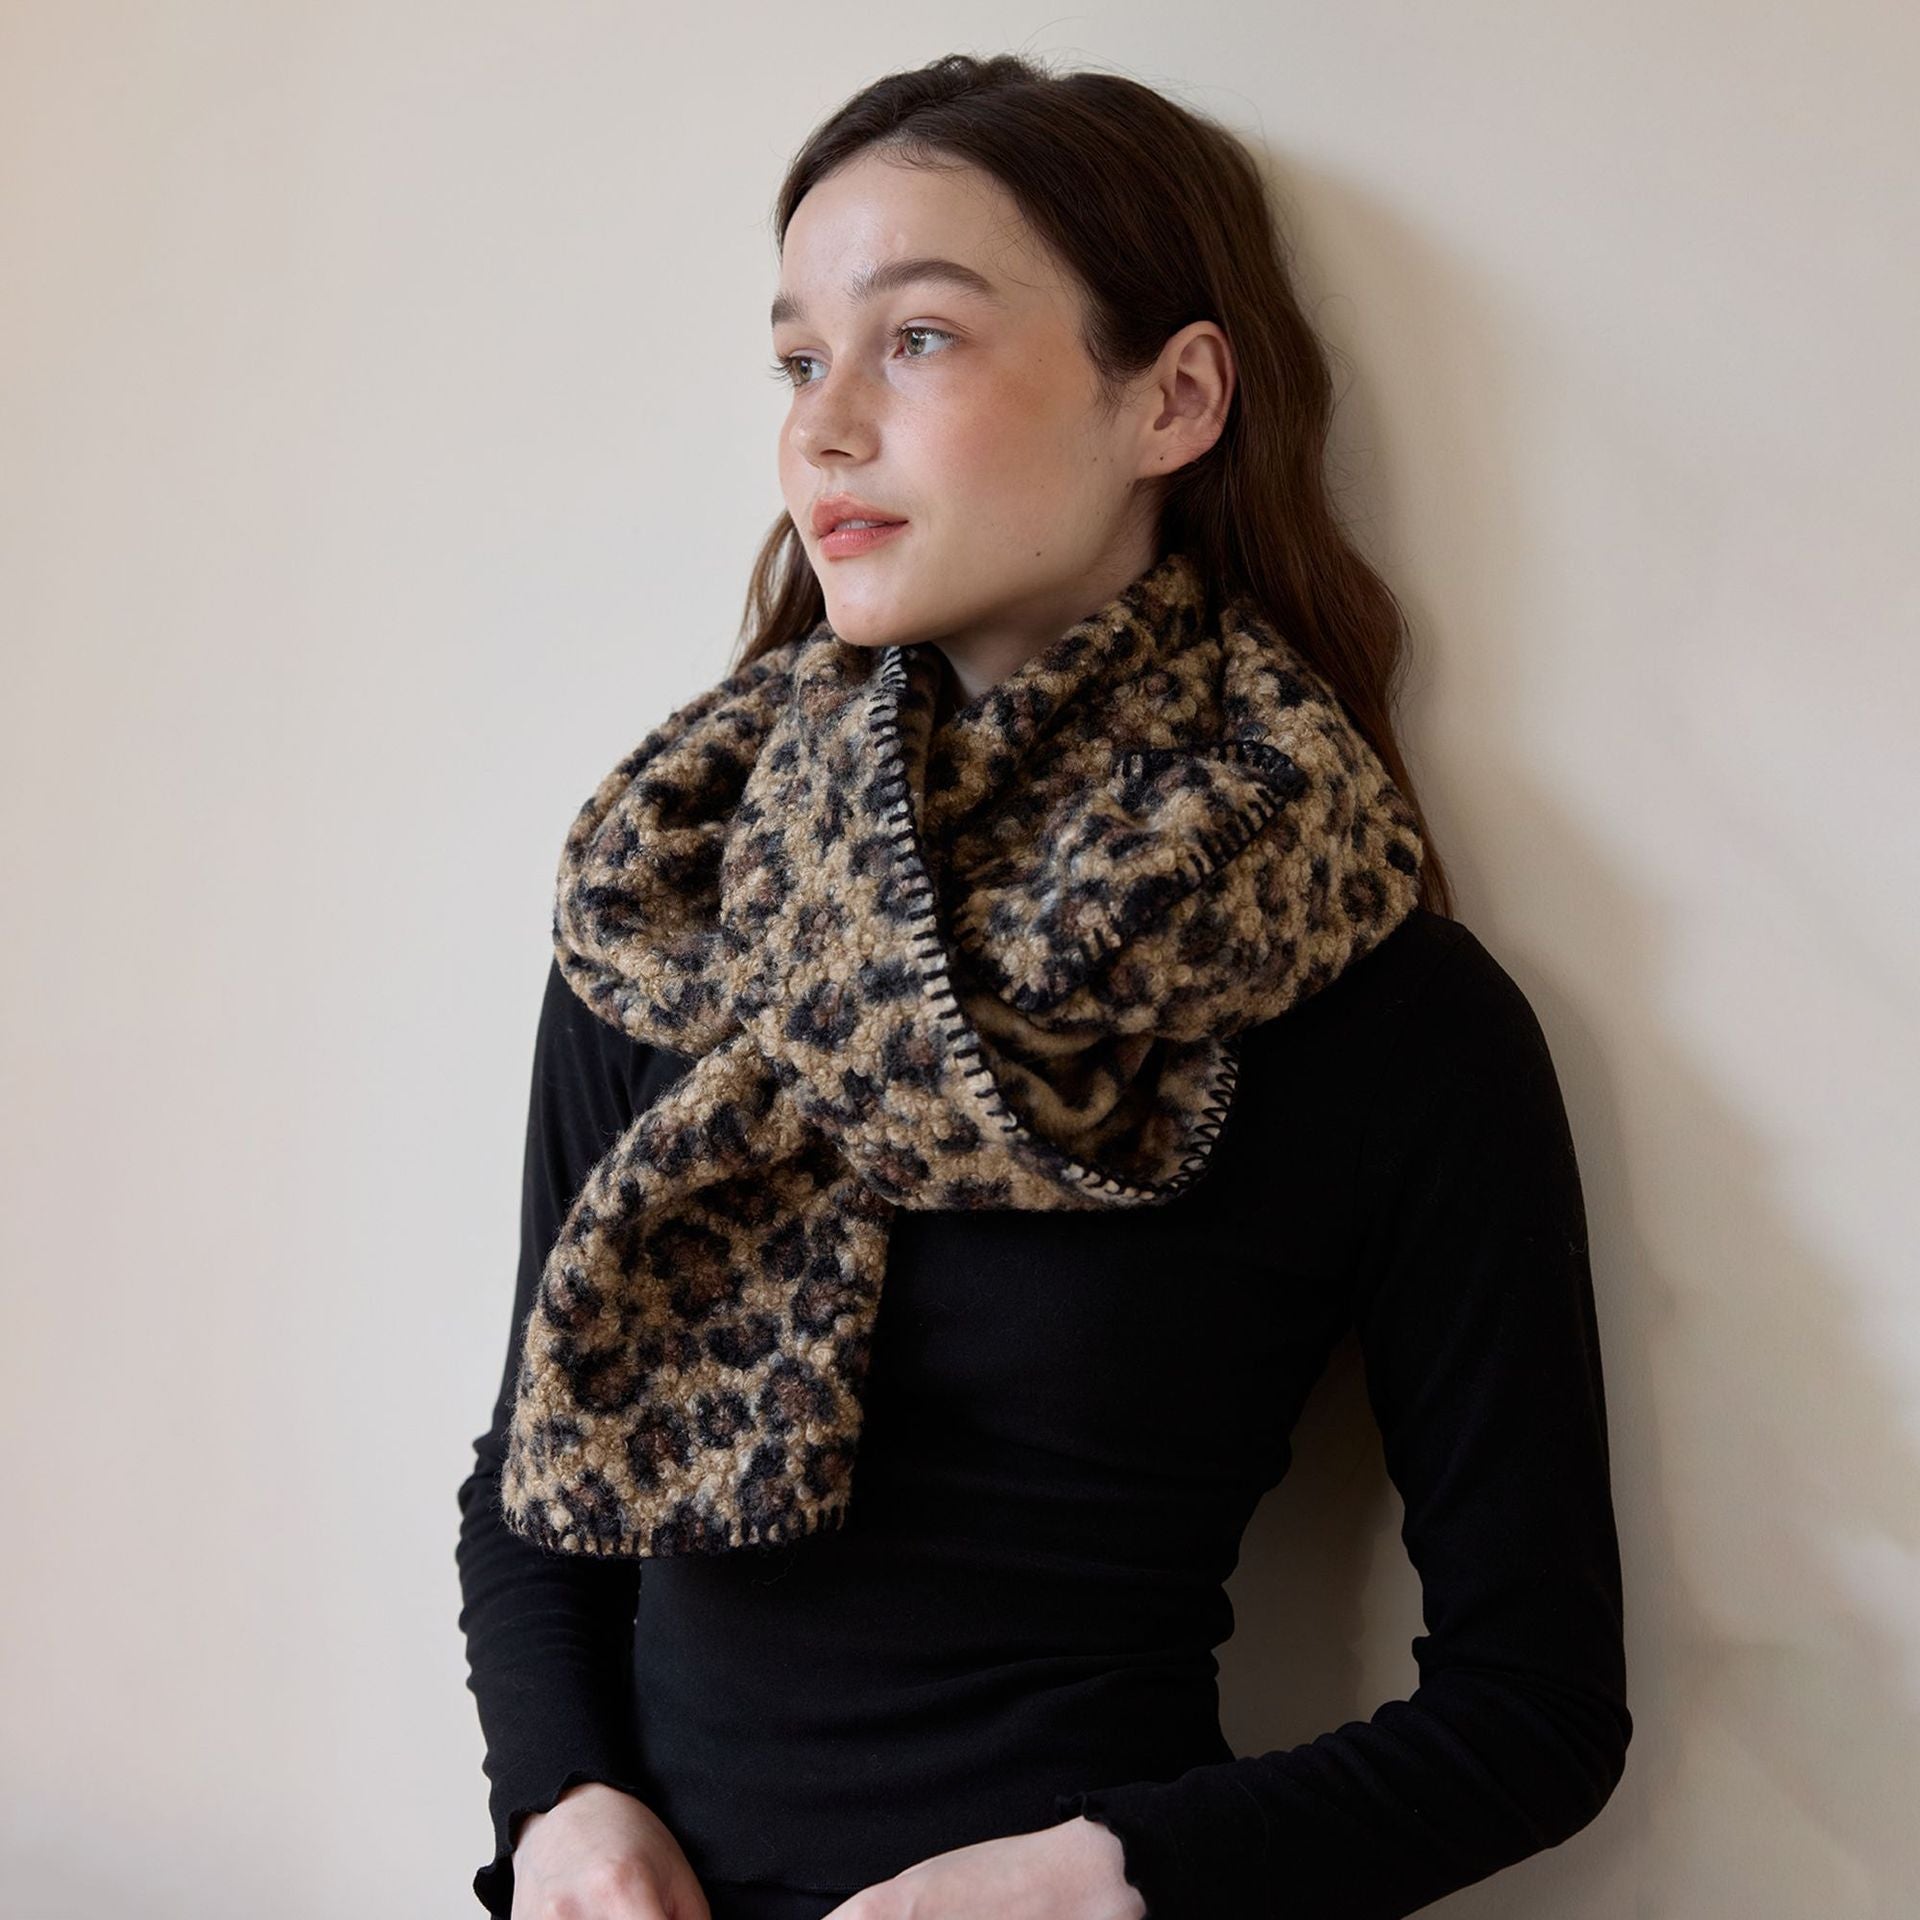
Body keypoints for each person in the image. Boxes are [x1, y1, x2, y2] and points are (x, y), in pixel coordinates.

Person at [454, 50, 1631, 1920]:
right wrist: (564, 1811)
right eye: (797, 360)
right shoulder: (674, 905)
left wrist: (1099, 1880)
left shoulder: (1384, 1014)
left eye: (916, 339)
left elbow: (1536, 1708)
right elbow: (538, 1470)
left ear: (1173, 398)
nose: (825, 428)